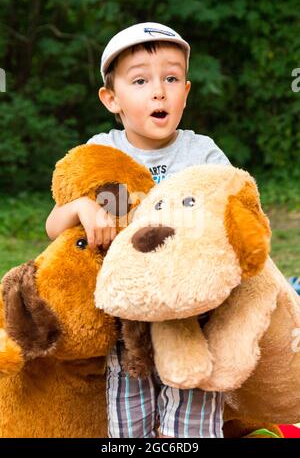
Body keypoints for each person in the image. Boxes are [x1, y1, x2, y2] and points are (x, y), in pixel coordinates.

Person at [46, 22, 230, 438]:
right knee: (129, 421)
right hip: (123, 319)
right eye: (141, 80)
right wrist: (80, 206)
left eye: (171, 78)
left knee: (193, 413)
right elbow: (52, 226)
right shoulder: (102, 153)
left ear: (186, 90)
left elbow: (232, 213)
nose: (159, 91)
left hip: (191, 314)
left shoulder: (202, 152)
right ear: (112, 98)